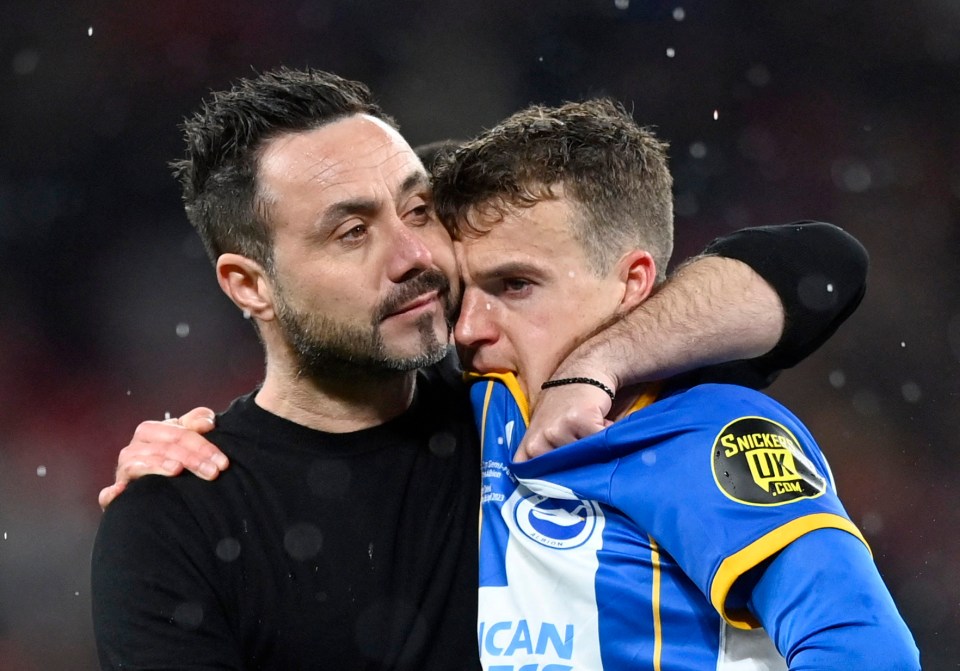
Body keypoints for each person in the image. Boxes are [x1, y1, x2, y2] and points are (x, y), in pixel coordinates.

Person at [91, 67, 870, 670]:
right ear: (249, 284)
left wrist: (600, 360)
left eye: (417, 208)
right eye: (351, 232)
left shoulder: (511, 390)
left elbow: (821, 266)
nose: (414, 255)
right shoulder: (177, 520)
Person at [430, 98, 919, 668]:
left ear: (632, 283)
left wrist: (595, 365)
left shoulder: (708, 431)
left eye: (515, 285)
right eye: (460, 295)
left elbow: (864, 649)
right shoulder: (469, 416)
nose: (466, 329)